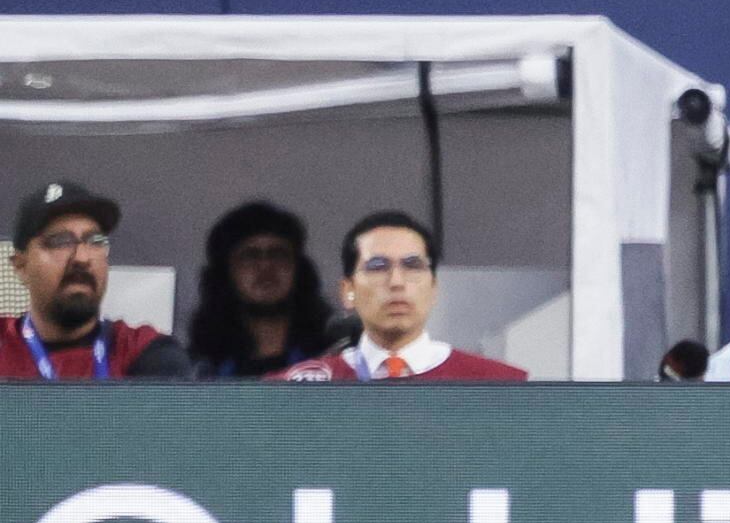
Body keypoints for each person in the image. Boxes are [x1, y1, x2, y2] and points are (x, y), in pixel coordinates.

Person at [278, 210, 532, 382]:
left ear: (434, 288)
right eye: (377, 267)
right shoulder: (298, 390)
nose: (396, 282)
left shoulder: (498, 385)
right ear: (348, 291)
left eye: (412, 266)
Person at [4, 185, 186, 379]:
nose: (81, 258)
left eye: (95, 240)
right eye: (60, 241)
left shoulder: (146, 353)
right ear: (21, 266)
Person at [175, 201, 338, 381]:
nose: (265, 266)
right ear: (224, 274)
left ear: (299, 270)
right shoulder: (199, 369)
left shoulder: (331, 360)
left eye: (278, 254)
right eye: (250, 256)